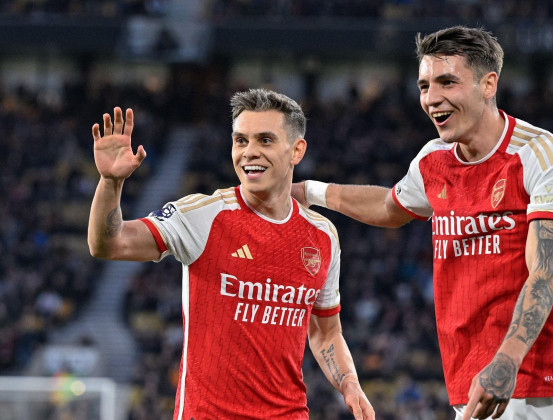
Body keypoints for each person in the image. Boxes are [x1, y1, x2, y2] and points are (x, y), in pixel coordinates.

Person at [294, 26, 553, 420]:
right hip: (473, 383)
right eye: (425, 85)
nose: (432, 98)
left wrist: (506, 361)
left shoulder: (546, 155)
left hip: (550, 386)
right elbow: (390, 205)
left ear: (488, 84)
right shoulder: (434, 160)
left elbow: (544, 273)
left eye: (448, 82)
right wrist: (307, 191)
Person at [87, 88, 375, 420]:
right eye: (241, 141)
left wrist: (350, 384)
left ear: (297, 150)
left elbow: (326, 332)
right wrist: (110, 183)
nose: (249, 152)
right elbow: (109, 244)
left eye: (265, 140)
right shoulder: (203, 215)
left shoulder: (322, 236)